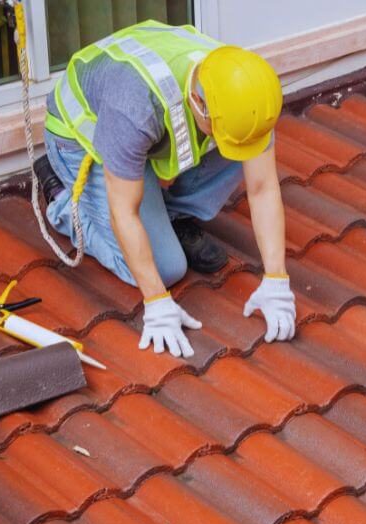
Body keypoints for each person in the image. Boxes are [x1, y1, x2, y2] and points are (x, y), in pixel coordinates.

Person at [36, 20, 295, 359]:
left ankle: (167, 212)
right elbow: (123, 212)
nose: (218, 142)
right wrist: (157, 301)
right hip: (84, 140)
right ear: (198, 104)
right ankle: (62, 202)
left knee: (242, 147)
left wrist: (277, 279)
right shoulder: (135, 106)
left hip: (141, 134)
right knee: (167, 268)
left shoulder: (243, 90)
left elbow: (262, 187)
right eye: (215, 131)